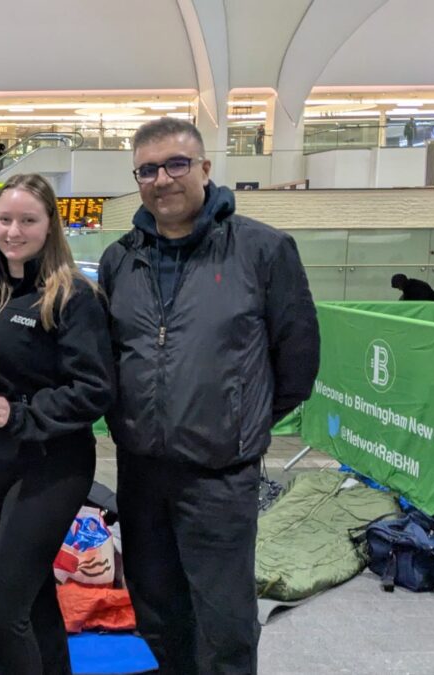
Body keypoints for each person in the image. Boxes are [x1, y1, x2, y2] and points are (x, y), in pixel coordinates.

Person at [98, 117, 320, 674]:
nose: (162, 179)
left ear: (204, 168)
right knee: (156, 612)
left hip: (220, 475)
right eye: (147, 169)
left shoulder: (263, 250)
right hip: (142, 472)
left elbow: (297, 361)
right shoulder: (120, 258)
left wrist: (239, 422)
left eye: (175, 164)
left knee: (224, 625)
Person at [0, 173, 114, 674]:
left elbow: (94, 390)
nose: (13, 231)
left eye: (28, 220)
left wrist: (22, 413)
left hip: (53, 464)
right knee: (33, 595)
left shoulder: (73, 296)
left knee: (2, 612)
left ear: (51, 226)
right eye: (5, 219)